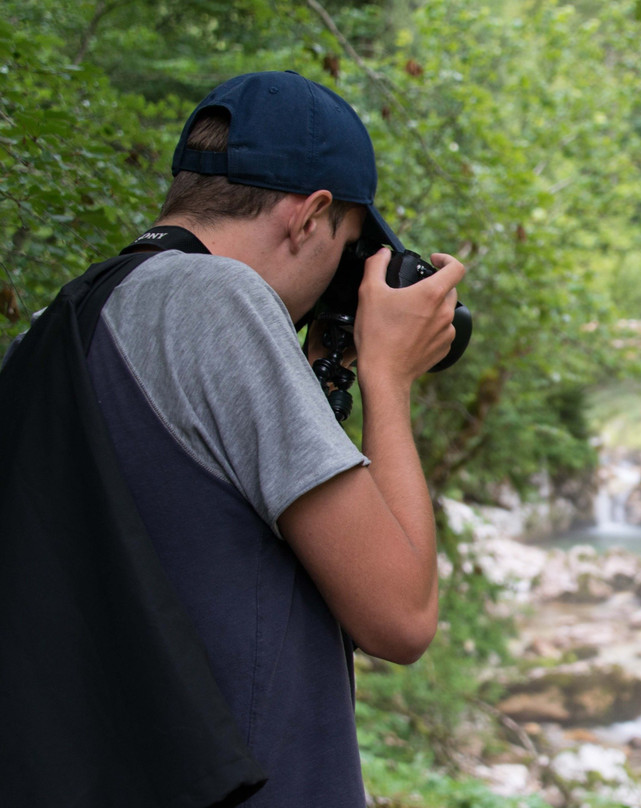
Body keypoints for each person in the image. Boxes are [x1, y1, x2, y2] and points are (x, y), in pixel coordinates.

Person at [0, 70, 464, 807]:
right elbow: (401, 618)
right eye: (347, 243)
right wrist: (388, 375)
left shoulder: (67, 320)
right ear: (310, 216)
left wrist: (312, 372)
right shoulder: (217, 297)